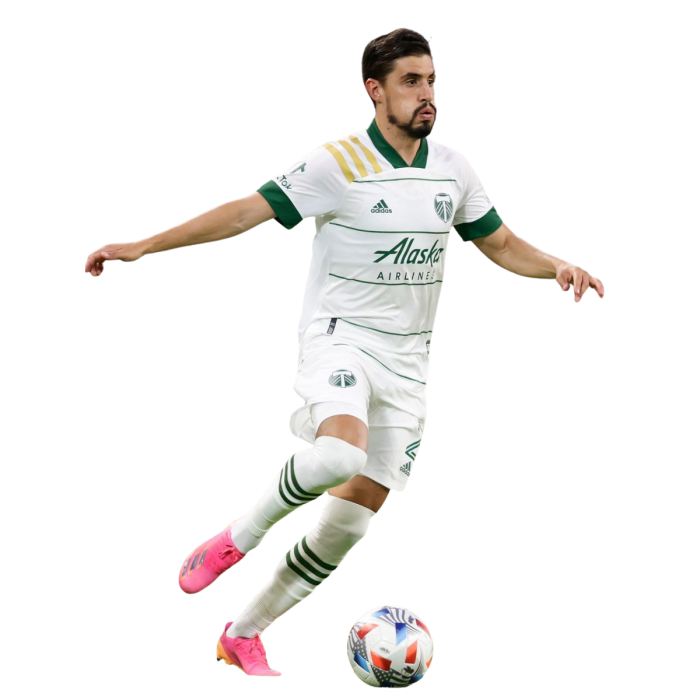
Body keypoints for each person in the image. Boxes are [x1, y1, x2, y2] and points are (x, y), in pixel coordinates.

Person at [84, 27, 605, 678]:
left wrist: (557, 266)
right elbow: (244, 213)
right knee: (338, 455)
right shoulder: (338, 163)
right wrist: (143, 246)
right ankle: (237, 537)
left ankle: (243, 634)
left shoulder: (452, 169)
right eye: (411, 81)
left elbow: (500, 244)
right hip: (341, 340)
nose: (427, 93)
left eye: (432, 80)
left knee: (348, 527)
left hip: (409, 366)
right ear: (374, 89)